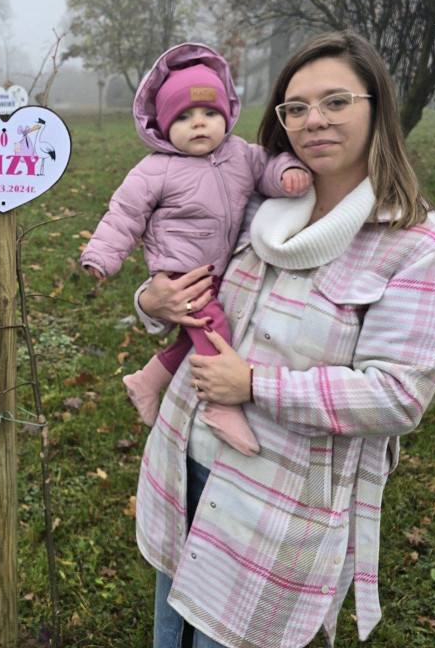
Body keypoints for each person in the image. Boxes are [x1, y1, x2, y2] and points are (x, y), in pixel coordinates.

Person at [132, 32, 435, 647]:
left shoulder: (416, 246)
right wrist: (152, 303)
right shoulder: (257, 203)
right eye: (295, 107)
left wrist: (253, 385)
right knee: (169, 632)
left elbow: (397, 396)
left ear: (377, 108)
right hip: (186, 462)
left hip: (278, 496)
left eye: (336, 102)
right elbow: (186, 287)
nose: (314, 121)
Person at [81, 43, 311, 457]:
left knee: (192, 340)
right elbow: (124, 216)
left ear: (226, 116)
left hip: (213, 270)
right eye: (183, 117)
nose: (198, 124)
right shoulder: (155, 169)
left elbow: (268, 166)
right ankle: (222, 406)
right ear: (163, 126)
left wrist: (288, 172)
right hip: (179, 274)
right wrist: (102, 256)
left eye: (208, 114)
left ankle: (146, 382)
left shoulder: (240, 154)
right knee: (213, 332)